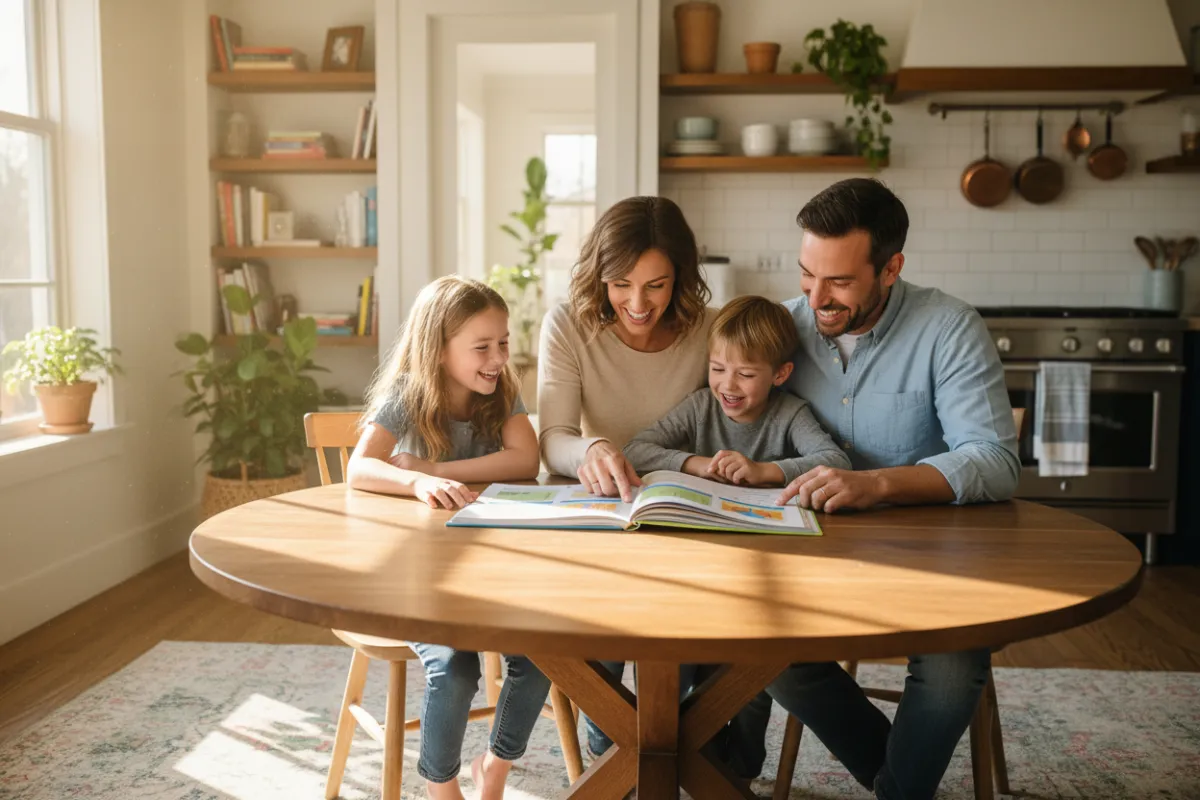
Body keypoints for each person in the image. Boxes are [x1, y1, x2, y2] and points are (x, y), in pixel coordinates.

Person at [763, 177, 1020, 799]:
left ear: (890, 268)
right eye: (806, 275)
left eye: (840, 282)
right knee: (759, 653)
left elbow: (994, 459)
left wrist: (878, 484)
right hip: (808, 555)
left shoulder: (949, 328)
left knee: (956, 670)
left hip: (932, 560)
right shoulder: (781, 329)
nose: (816, 298)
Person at [346, 275, 545, 800]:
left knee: (547, 652)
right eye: (482, 347)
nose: (498, 357)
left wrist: (435, 463)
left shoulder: (500, 392)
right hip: (416, 581)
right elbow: (359, 467)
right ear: (438, 350)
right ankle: (441, 786)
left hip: (491, 577)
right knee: (455, 668)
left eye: (502, 343)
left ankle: (495, 766)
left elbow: (526, 458)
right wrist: (415, 479)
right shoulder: (408, 396)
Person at [537, 194, 716, 759]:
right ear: (599, 276)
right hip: (601, 512)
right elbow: (553, 437)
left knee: (694, 667)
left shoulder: (713, 329)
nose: (637, 304)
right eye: (620, 284)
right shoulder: (568, 324)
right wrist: (590, 449)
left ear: (681, 278)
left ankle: (674, 736)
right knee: (606, 699)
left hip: (688, 515)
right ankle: (617, 731)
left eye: (656, 286)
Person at [623, 294, 851, 485]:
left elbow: (837, 461)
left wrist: (762, 471)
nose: (728, 385)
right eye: (718, 369)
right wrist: (697, 464)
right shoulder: (700, 406)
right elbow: (633, 451)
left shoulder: (790, 413)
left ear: (780, 374)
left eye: (745, 374)